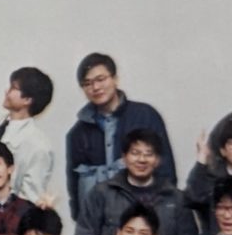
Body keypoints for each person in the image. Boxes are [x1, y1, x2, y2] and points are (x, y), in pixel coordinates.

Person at [63, 54, 175, 221]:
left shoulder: (145, 116)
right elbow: (74, 187)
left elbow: (166, 170)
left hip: (143, 220)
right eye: (87, 83)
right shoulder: (77, 133)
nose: (95, 87)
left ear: (115, 79)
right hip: (100, 222)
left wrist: (158, 215)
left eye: (100, 79)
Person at [74, 129, 193, 235]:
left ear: (157, 160)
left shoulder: (175, 198)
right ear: (124, 158)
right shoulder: (101, 193)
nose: (141, 160)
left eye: (148, 154)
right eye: (135, 153)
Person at [0, 67, 57, 205]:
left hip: (4, 211)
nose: (7, 91)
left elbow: (29, 196)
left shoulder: (38, 145)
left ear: (27, 99)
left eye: (13, 88)